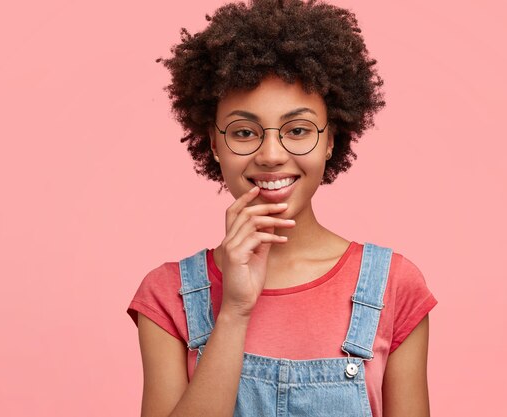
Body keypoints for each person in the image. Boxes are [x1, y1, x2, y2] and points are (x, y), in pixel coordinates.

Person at [126, 0, 438, 416]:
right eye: (243, 131)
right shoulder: (169, 296)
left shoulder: (393, 287)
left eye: (297, 130)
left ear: (330, 139)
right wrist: (235, 311)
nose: (271, 154)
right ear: (215, 143)